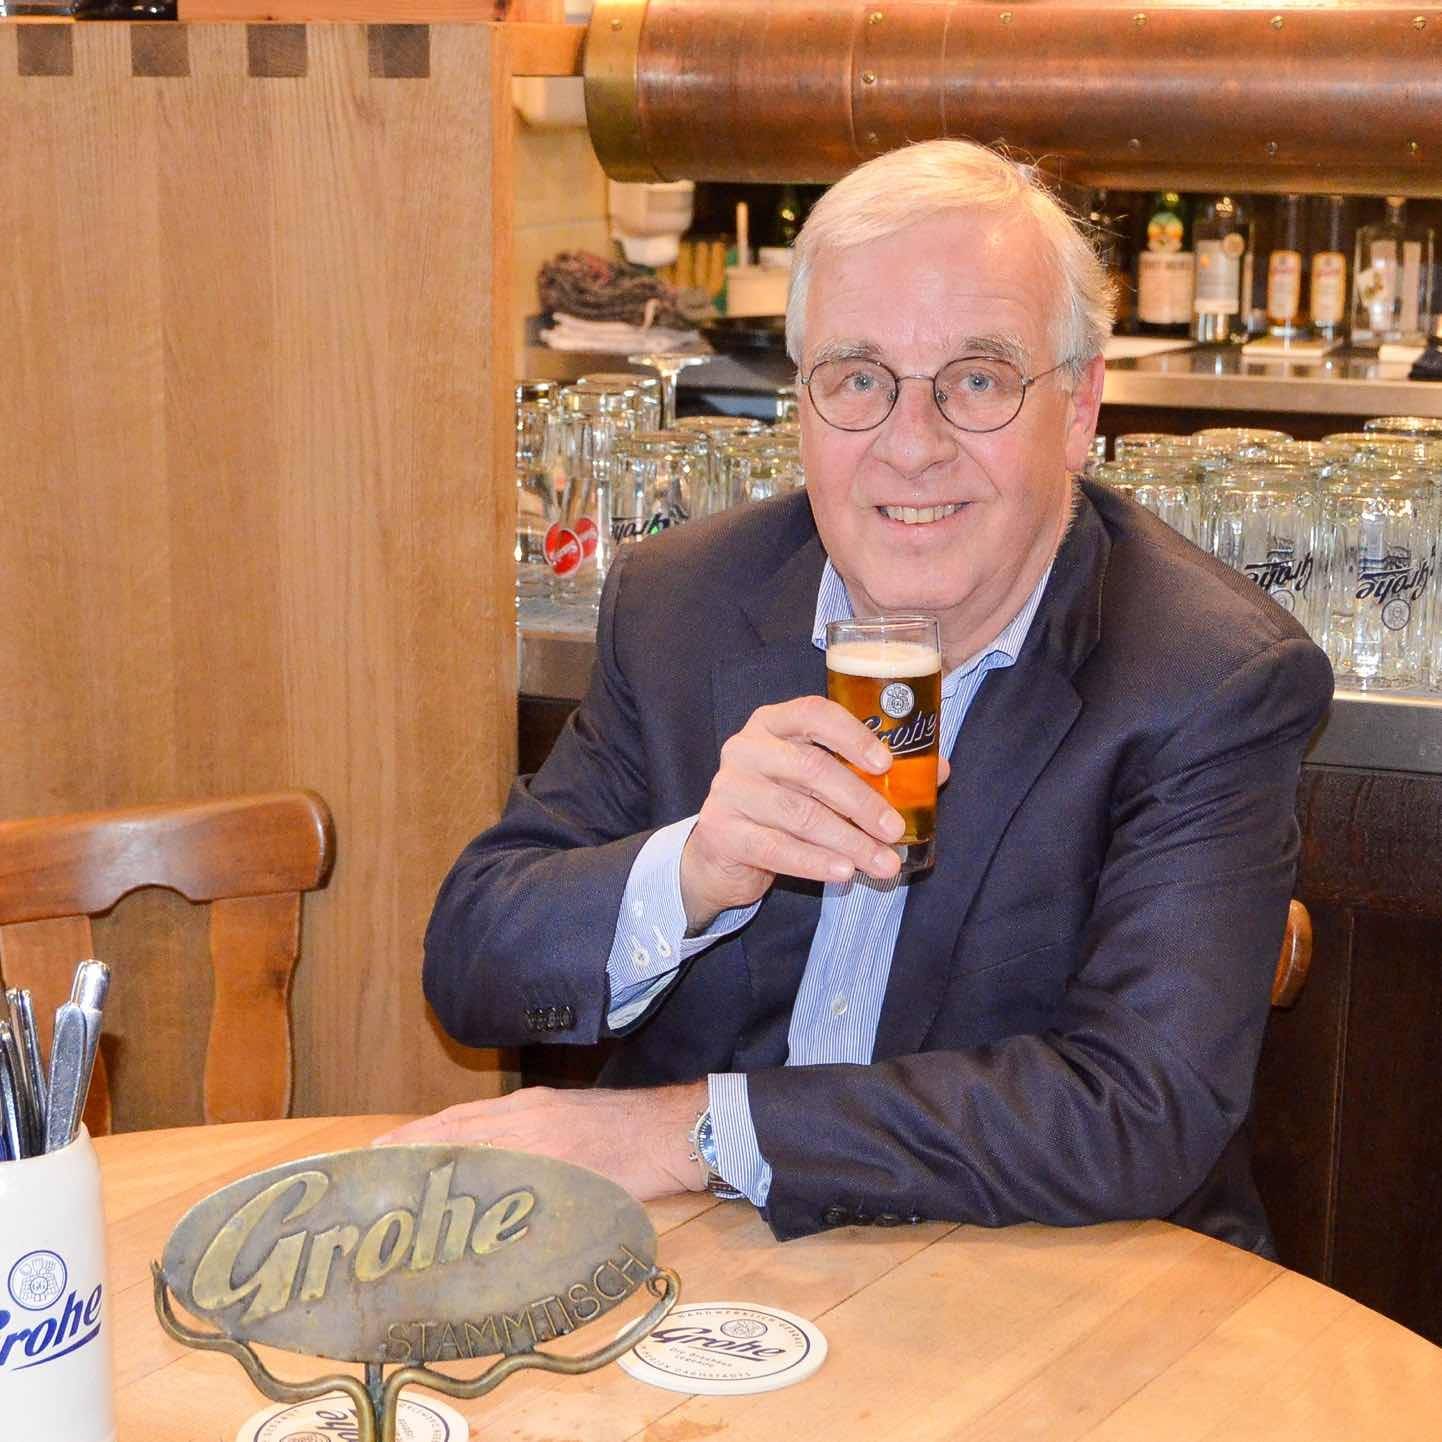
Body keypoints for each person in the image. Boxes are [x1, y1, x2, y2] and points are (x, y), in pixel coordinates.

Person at [387, 140, 1333, 1254]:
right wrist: (690, 870)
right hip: (706, 1286)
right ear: (800, 405)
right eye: (856, 380)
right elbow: (473, 965)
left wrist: (688, 1129)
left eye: (975, 380)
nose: (910, 444)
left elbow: (1137, 1106)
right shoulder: (685, 602)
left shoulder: (1206, 677)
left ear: (1077, 409)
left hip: (1052, 1293)